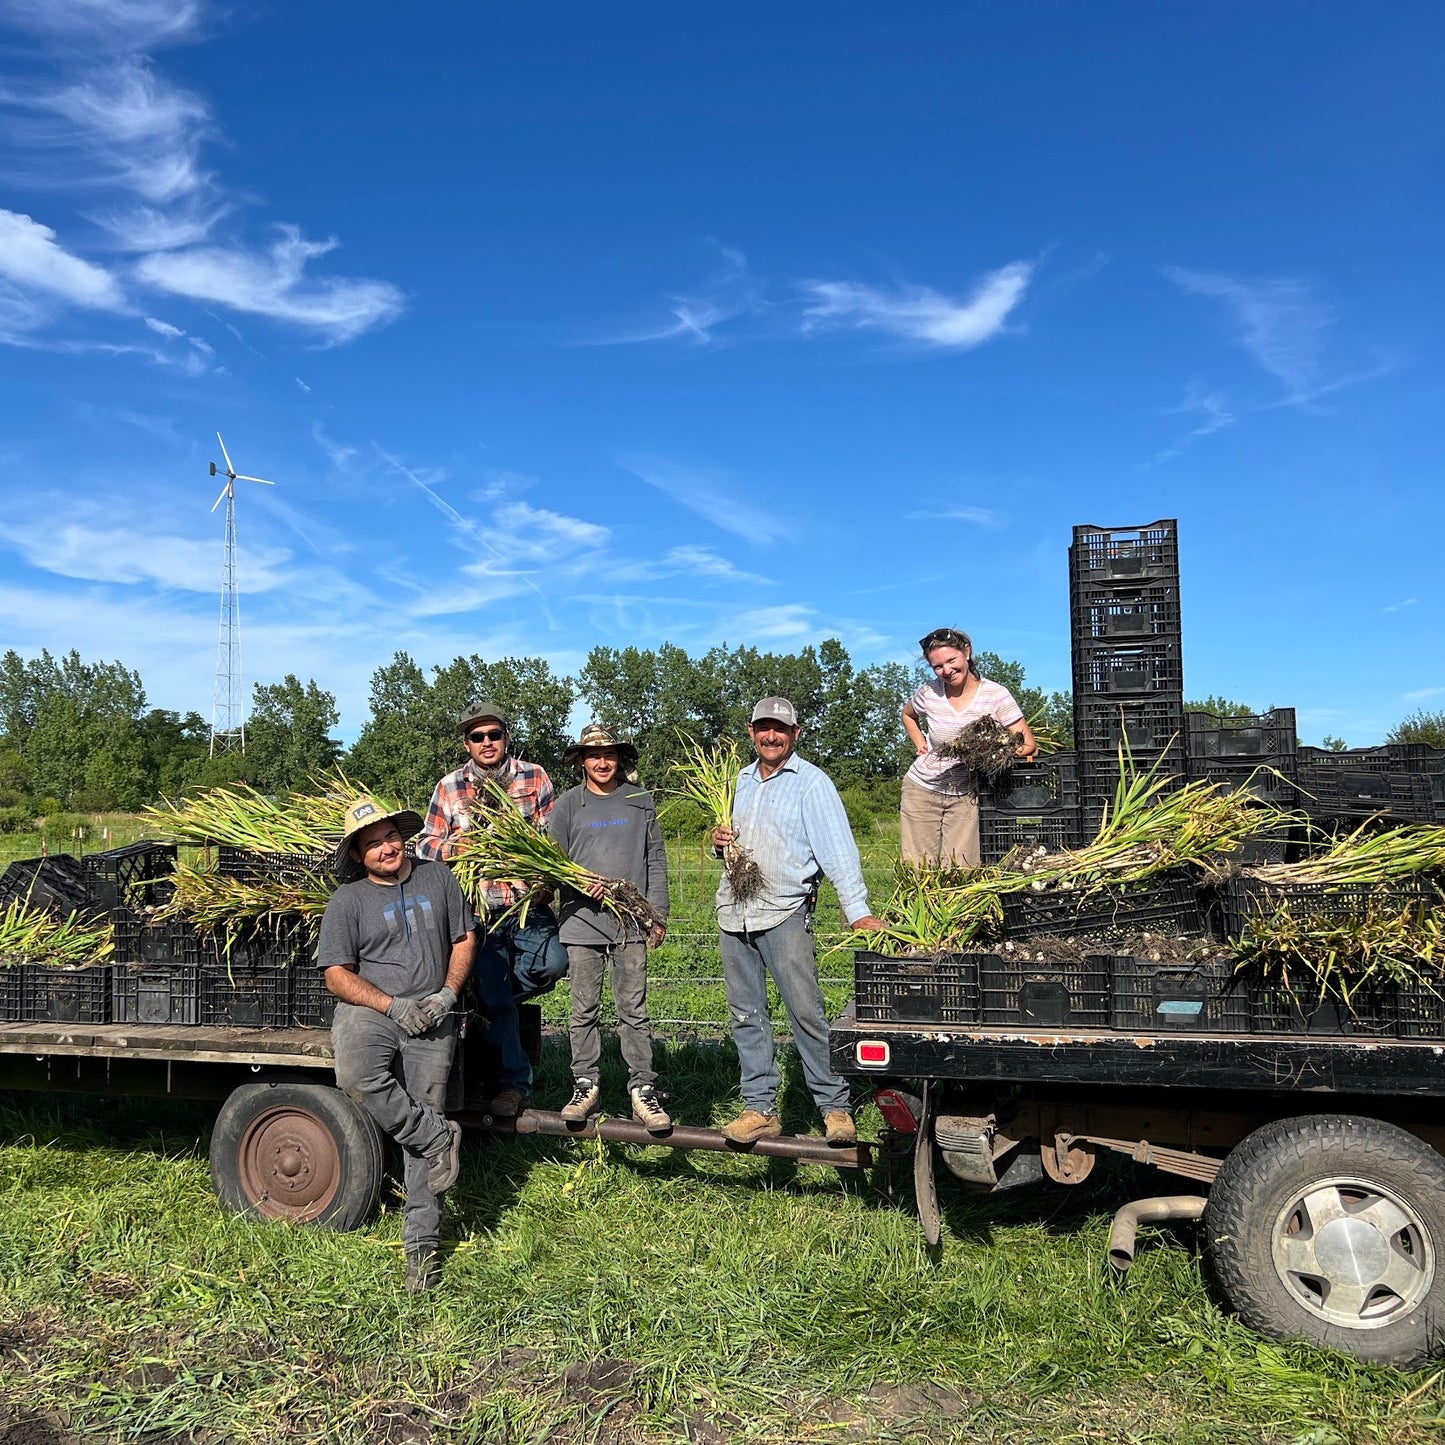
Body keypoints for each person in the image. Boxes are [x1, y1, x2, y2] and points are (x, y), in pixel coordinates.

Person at [318, 795, 475, 1292]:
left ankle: (421, 1246)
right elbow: (336, 974)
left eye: (390, 837)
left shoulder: (438, 878)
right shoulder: (348, 901)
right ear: (358, 854)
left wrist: (448, 994)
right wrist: (390, 1006)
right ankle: (436, 1136)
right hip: (372, 1010)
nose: (386, 848)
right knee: (356, 1075)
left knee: (426, 1104)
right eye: (373, 844)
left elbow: (464, 938)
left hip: (432, 1010)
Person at [712, 697, 885, 1147]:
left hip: (785, 911)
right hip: (734, 912)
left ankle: (835, 1107)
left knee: (806, 1012)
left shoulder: (812, 783)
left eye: (780, 728)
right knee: (746, 1015)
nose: (771, 736)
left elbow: (838, 849)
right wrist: (718, 842)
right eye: (763, 728)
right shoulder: (737, 783)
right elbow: (728, 844)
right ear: (752, 732)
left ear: (795, 733)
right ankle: (760, 1109)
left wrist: (857, 909)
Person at [414, 699, 569, 1119]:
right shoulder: (450, 786)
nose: (486, 742)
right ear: (467, 743)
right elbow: (424, 844)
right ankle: (514, 1084)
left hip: (527, 905)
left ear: (506, 737)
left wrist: (546, 881)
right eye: (477, 736)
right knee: (497, 994)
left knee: (553, 964)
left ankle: (484, 1003)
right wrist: (454, 846)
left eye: (493, 734)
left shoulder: (534, 776)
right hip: (478, 911)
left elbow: (556, 840)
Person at [546, 723, 671, 1131]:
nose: (602, 762)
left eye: (609, 755)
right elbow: (552, 865)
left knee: (633, 1009)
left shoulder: (639, 800)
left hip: (631, 923)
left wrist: (658, 914)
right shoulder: (568, 804)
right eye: (594, 755)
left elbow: (656, 857)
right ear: (581, 761)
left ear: (620, 759)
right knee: (583, 1009)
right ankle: (586, 1084)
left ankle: (643, 1089)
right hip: (581, 923)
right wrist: (578, 882)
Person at [900, 628, 1038, 868]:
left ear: (966, 652)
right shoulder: (930, 692)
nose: (946, 670)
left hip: (966, 795)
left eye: (951, 660)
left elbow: (1029, 746)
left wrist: (988, 754)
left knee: (961, 869)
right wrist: (920, 744)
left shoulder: (995, 695)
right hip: (922, 789)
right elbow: (908, 715)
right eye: (937, 666)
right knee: (918, 869)